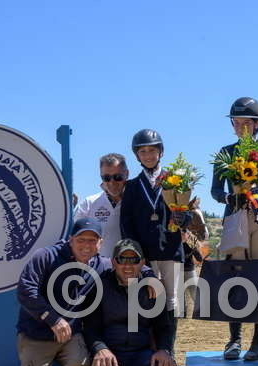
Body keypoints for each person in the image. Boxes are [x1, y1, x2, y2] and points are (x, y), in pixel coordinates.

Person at [209, 97, 258, 361]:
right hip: (236, 217)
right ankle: (234, 339)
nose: (240, 127)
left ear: (257, 124)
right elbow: (215, 190)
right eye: (236, 123)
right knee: (235, 276)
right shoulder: (225, 152)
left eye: (245, 123)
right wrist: (229, 197)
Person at [16, 217, 109, 366]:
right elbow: (25, 290)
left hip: (71, 336)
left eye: (92, 240)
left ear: (100, 243)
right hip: (37, 334)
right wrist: (52, 318)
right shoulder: (46, 256)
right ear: (71, 239)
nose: (86, 245)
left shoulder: (101, 265)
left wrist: (149, 276)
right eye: (81, 239)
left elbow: (129, 267)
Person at [120, 129, 182, 347]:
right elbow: (126, 223)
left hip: (171, 251)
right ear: (137, 155)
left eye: (152, 150)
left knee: (172, 301)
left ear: (161, 152)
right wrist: (136, 256)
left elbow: (185, 214)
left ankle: (169, 349)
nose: (148, 155)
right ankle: (149, 349)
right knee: (148, 300)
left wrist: (184, 217)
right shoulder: (132, 186)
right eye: (143, 151)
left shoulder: (176, 181)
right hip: (145, 255)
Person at [74, 153, 129, 258]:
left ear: (126, 174)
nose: (112, 182)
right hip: (97, 267)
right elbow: (75, 238)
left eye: (117, 177)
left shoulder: (138, 201)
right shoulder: (88, 204)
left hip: (131, 265)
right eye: (106, 178)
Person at [179, 198, 208, 318]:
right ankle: (182, 313)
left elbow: (196, 251)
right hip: (181, 267)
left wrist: (201, 258)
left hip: (187, 267)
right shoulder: (180, 232)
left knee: (193, 290)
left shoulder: (190, 235)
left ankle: (202, 310)